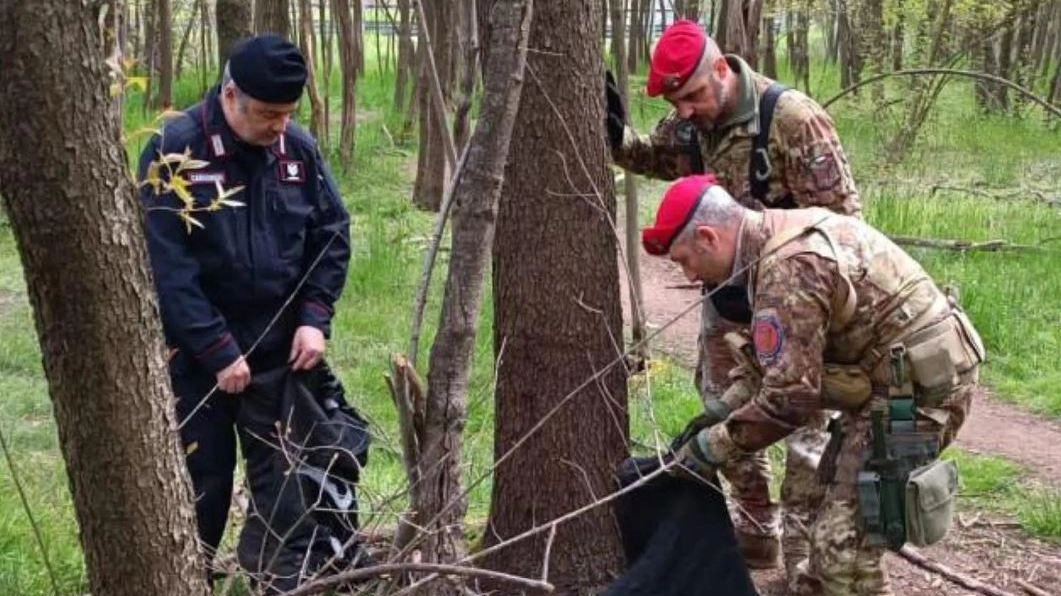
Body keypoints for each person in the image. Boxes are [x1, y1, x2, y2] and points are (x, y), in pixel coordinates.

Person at [643, 175, 982, 595]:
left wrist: (711, 448)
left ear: (709, 238)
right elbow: (774, 366)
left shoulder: (787, 268)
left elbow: (789, 400)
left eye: (684, 259)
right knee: (825, 522)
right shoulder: (775, 236)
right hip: (889, 385)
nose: (689, 275)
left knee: (845, 548)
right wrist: (717, 412)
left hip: (920, 396)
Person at [605, 19, 861, 573]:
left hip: (797, 303)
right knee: (722, 411)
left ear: (721, 69)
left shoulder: (792, 120)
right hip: (727, 303)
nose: (688, 110)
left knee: (802, 426)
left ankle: (803, 564)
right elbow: (658, 158)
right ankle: (757, 527)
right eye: (679, 103)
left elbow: (844, 228)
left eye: (694, 95)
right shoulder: (691, 121)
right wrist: (616, 139)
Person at [138, 34, 361, 581]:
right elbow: (166, 267)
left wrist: (314, 319)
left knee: (288, 487)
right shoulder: (175, 149)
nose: (279, 125)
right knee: (199, 486)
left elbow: (331, 235)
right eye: (267, 113)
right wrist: (215, 349)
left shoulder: (297, 150)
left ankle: (281, 582)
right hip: (194, 358)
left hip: (280, 353)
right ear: (231, 95)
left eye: (288, 113)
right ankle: (187, 581)